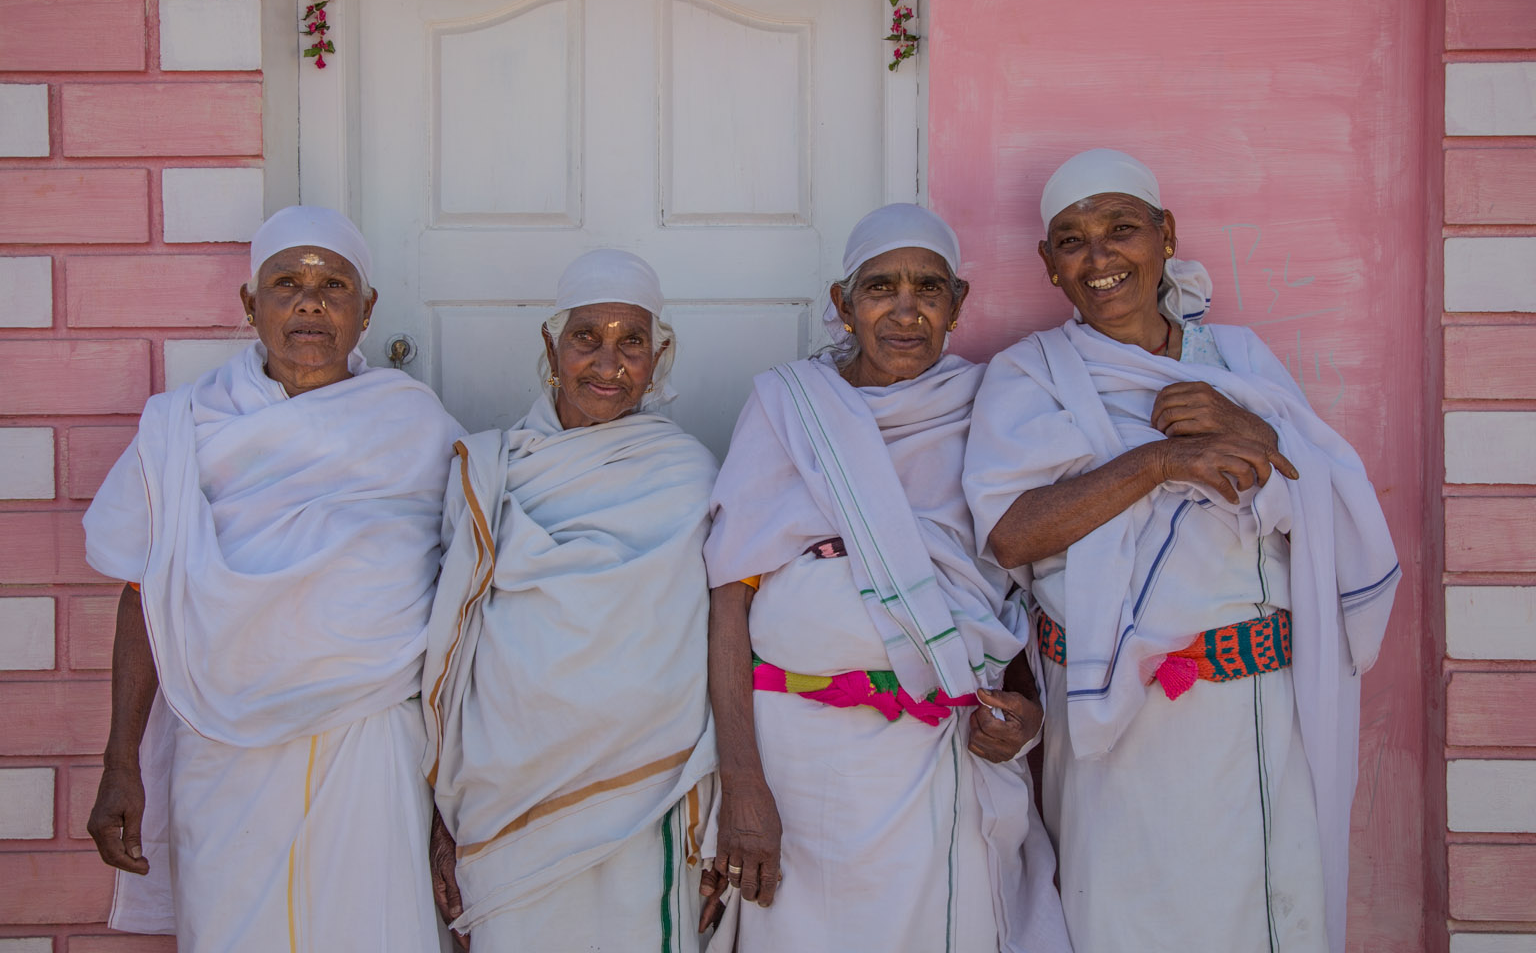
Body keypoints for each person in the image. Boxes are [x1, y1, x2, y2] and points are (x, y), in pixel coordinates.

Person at [963, 149, 1401, 953]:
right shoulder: (1032, 375)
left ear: (1165, 236)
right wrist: (1158, 462)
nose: (1100, 258)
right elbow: (1011, 532)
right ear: (1049, 266)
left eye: (1121, 229)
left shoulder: (1238, 361)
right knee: (1122, 918)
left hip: (1253, 713)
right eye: (1072, 240)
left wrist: (1253, 433)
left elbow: (1325, 496)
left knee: (1264, 917)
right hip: (1110, 718)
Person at [82, 206, 463, 949]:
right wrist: (119, 761)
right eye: (287, 283)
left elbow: (461, 608)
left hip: (373, 739)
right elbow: (143, 596)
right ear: (250, 305)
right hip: (223, 746)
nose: (311, 302)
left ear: (367, 309)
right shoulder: (181, 428)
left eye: (334, 285)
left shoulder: (417, 427)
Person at [700, 204, 1072, 953]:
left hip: (939, 753)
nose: (905, 312)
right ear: (843, 305)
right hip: (797, 759)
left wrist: (1028, 714)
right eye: (880, 289)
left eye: (928, 290)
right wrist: (741, 781)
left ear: (958, 304)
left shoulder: (989, 407)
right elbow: (728, 599)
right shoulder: (787, 406)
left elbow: (1023, 586)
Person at [423, 249, 718, 950]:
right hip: (504, 794)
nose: (608, 363)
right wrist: (442, 812)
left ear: (659, 357)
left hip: (649, 797)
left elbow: (710, 644)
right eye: (587, 337)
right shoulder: (491, 470)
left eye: (633, 342)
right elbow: (451, 653)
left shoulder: (689, 475)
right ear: (552, 347)